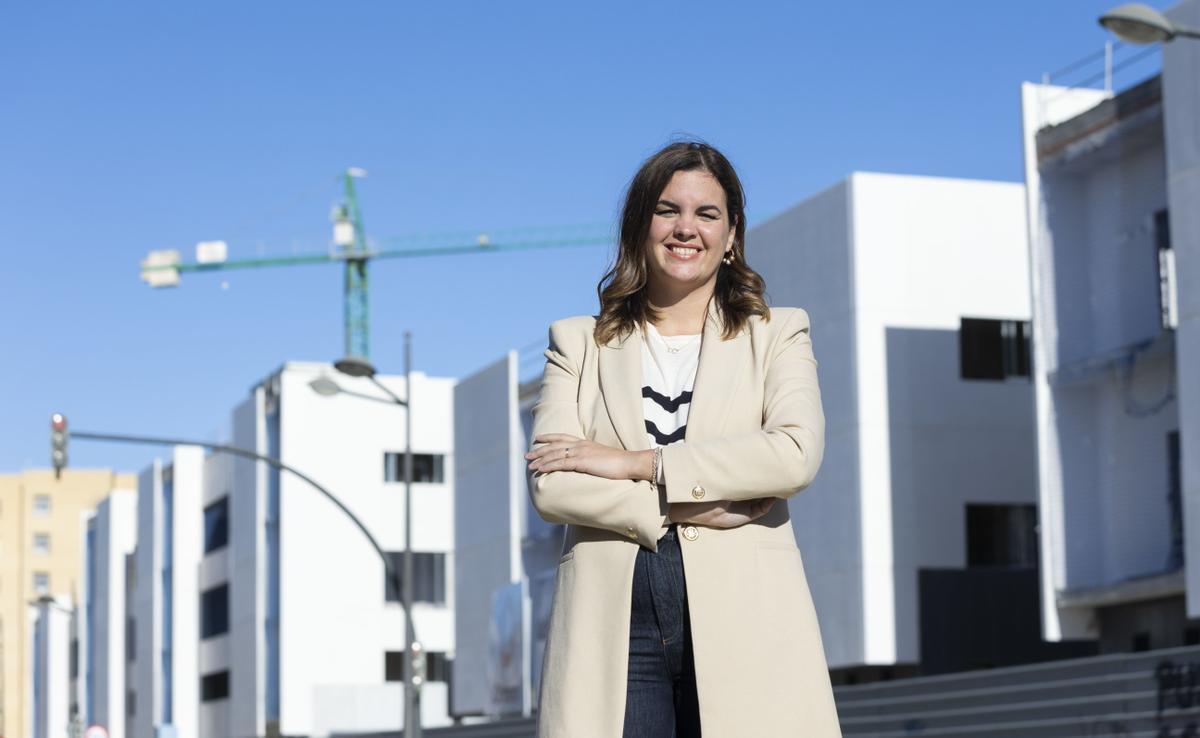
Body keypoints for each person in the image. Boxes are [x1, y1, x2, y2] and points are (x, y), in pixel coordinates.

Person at [524, 140, 841, 737]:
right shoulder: (577, 343)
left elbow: (794, 454)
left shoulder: (779, 335)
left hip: (745, 621)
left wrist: (637, 464)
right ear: (639, 225)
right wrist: (688, 500)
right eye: (667, 210)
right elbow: (552, 485)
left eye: (706, 213)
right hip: (613, 628)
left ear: (733, 234)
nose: (685, 228)